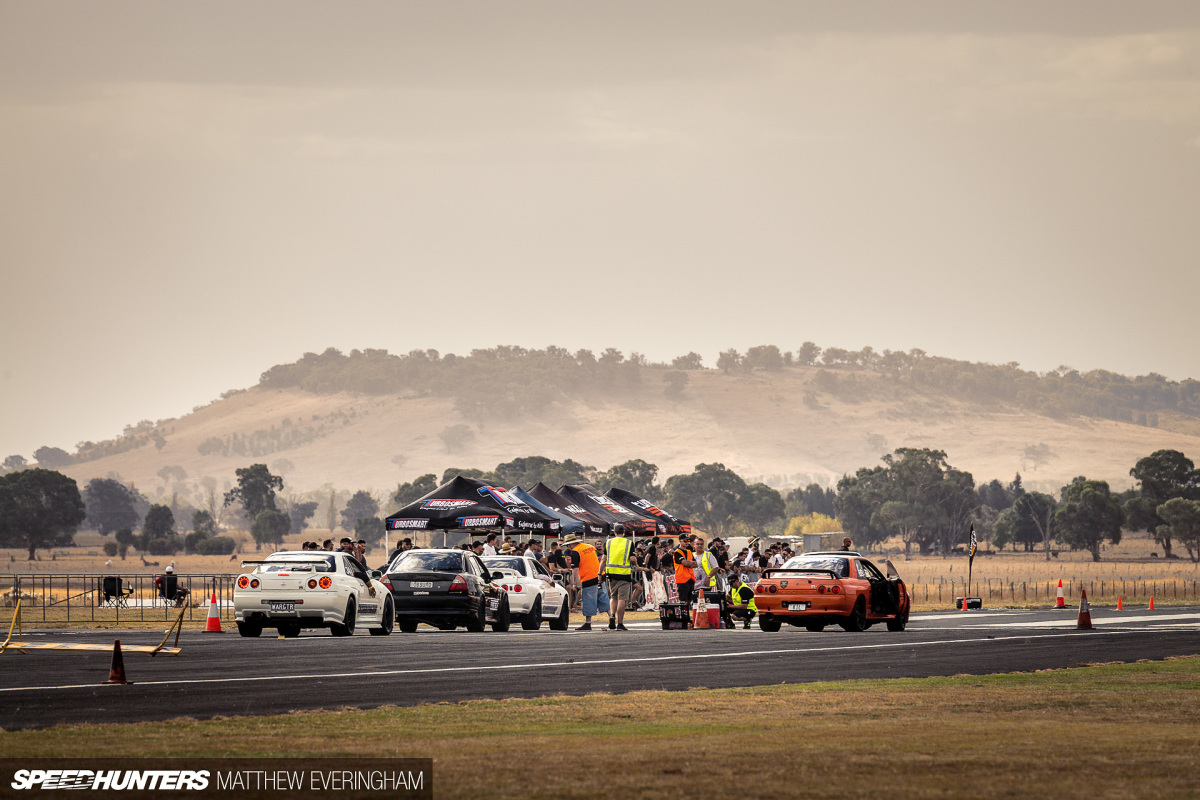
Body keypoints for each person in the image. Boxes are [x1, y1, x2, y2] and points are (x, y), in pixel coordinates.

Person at [562, 533, 601, 631]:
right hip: (599, 575)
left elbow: (575, 569)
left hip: (587, 577)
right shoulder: (590, 546)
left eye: (567, 545)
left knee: (587, 600)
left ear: (571, 544)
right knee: (603, 597)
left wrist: (574, 583)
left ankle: (588, 623)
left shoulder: (575, 551)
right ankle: (611, 617)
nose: (568, 547)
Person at [603, 524, 633, 631]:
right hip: (624, 574)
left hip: (611, 573)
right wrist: (635, 564)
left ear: (614, 532)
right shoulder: (629, 543)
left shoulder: (608, 542)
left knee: (613, 597)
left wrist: (599, 573)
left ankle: (611, 616)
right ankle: (620, 623)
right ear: (624, 532)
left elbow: (603, 559)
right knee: (622, 599)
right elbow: (633, 558)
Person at [673, 535, 698, 623]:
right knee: (683, 599)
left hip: (690, 578)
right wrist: (690, 563)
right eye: (684, 541)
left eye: (687, 541)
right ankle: (682, 616)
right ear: (680, 541)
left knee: (689, 599)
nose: (686, 542)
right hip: (682, 578)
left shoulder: (689, 552)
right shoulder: (677, 552)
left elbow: (696, 564)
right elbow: (685, 563)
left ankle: (686, 616)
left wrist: (689, 563)